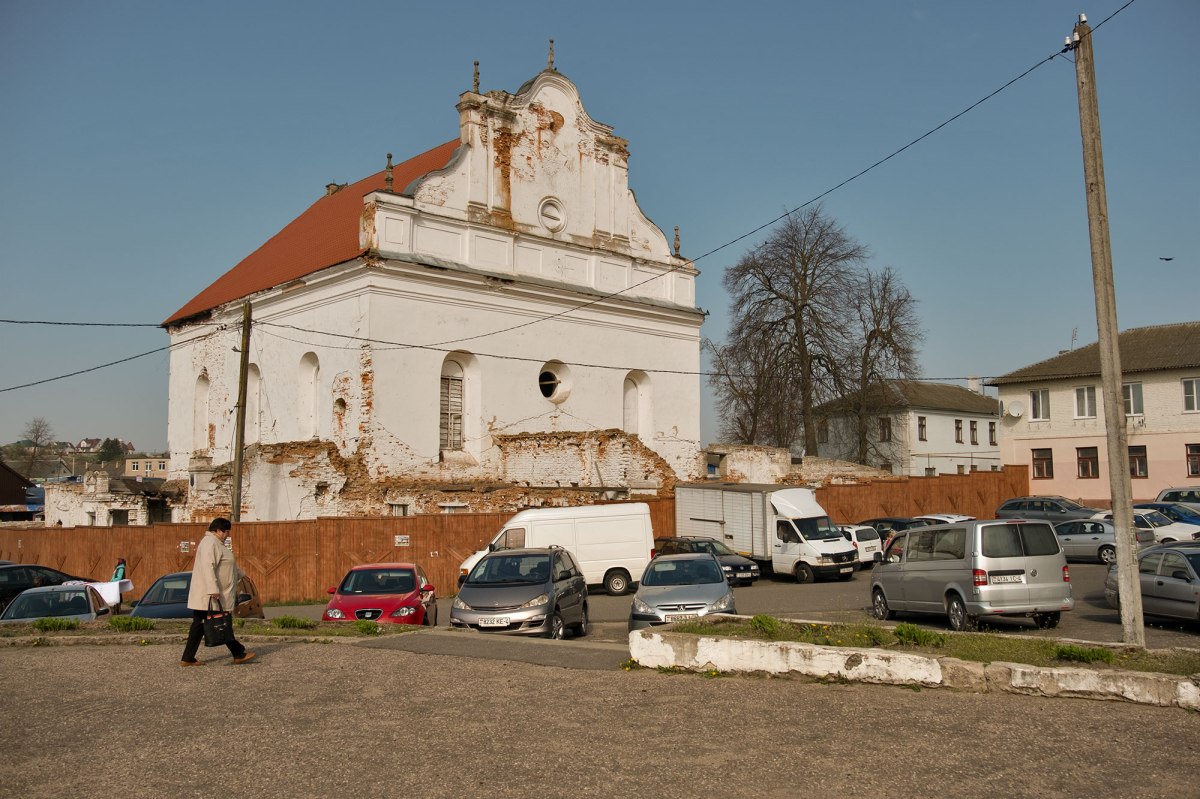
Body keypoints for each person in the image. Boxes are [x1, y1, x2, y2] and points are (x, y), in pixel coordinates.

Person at [180, 518, 255, 667]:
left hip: (210, 594)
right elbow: (208, 567)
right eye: (227, 531)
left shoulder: (216, 544)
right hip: (211, 594)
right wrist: (213, 589)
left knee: (200, 625)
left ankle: (187, 658)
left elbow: (227, 564)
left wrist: (242, 574)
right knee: (222, 622)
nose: (228, 535)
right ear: (219, 530)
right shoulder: (210, 543)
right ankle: (238, 653)